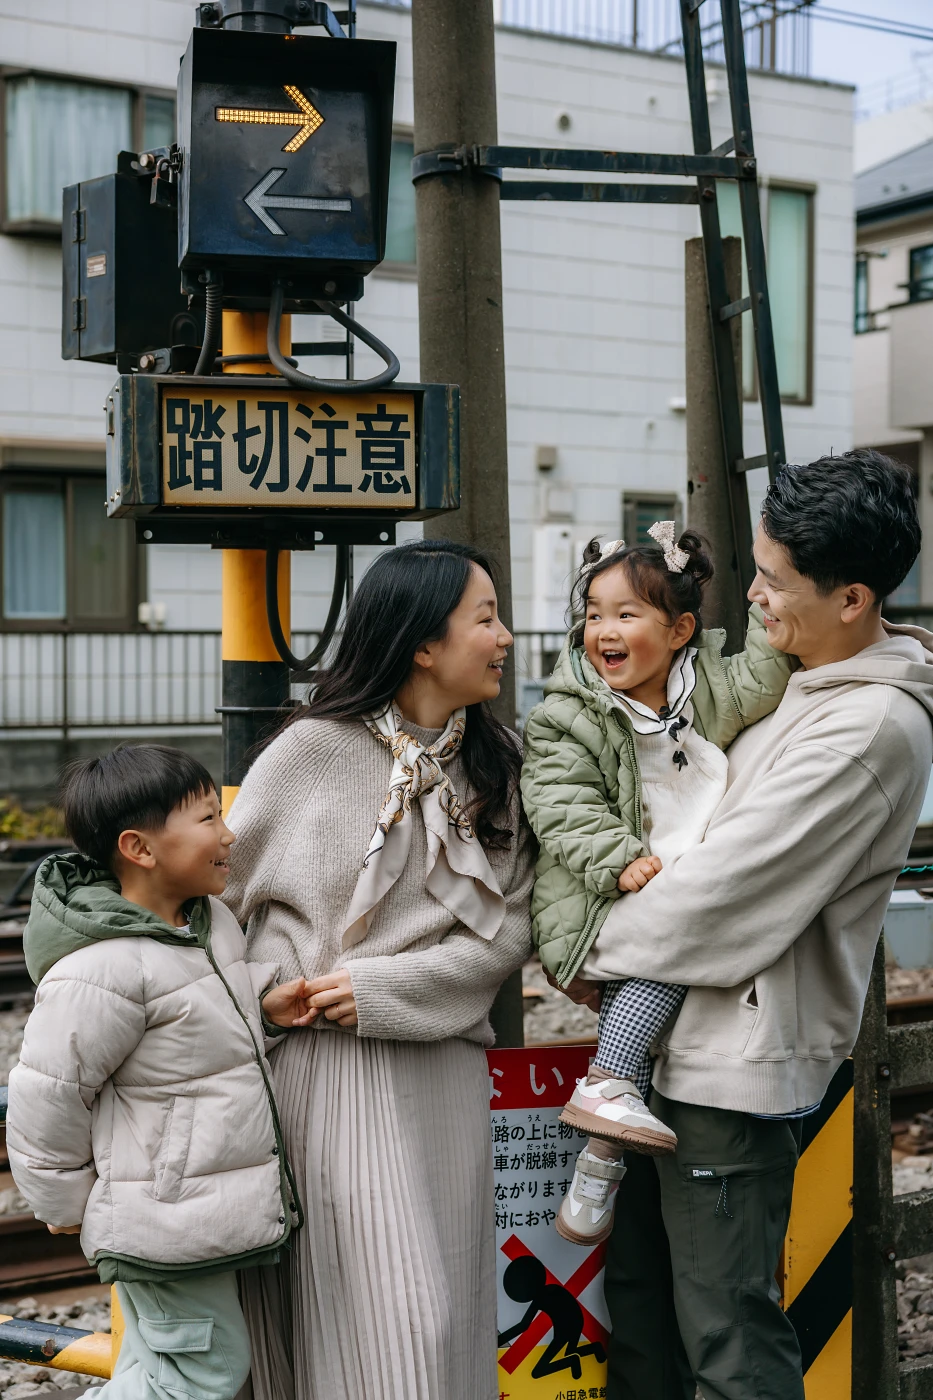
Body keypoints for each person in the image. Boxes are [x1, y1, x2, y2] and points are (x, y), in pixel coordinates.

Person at [563, 450, 933, 1400]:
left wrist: (579, 947)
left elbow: (717, 899)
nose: (754, 597)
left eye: (773, 580)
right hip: (658, 1059)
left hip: (729, 1075)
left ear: (852, 598)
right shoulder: (789, 683)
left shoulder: (866, 730)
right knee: (641, 1316)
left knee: (727, 1339)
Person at [224, 539, 534, 1400]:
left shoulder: (498, 768)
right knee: (373, 1314)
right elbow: (210, 907)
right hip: (319, 1072)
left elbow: (508, 935)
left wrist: (384, 990)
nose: (504, 636)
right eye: (485, 618)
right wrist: (265, 991)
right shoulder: (307, 752)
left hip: (440, 1070)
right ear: (422, 644)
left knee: (443, 1315)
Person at [6, 744, 313, 1400]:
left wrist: (266, 1013)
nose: (228, 833)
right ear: (140, 849)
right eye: (206, 820)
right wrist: (61, 1202)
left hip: (189, 1209)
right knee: (199, 1376)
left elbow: (198, 1040)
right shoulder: (105, 968)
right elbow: (48, 1096)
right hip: (164, 1220)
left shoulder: (207, 925)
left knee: (152, 1370)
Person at [521, 522, 794, 1247]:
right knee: (668, 956)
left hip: (669, 878)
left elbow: (762, 676)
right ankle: (605, 1090)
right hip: (597, 894)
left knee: (664, 998)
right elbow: (558, 801)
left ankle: (601, 1157)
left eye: (624, 615)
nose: (602, 630)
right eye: (592, 615)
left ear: (677, 631)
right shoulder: (564, 714)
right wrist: (616, 857)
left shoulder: (701, 691)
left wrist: (774, 607)